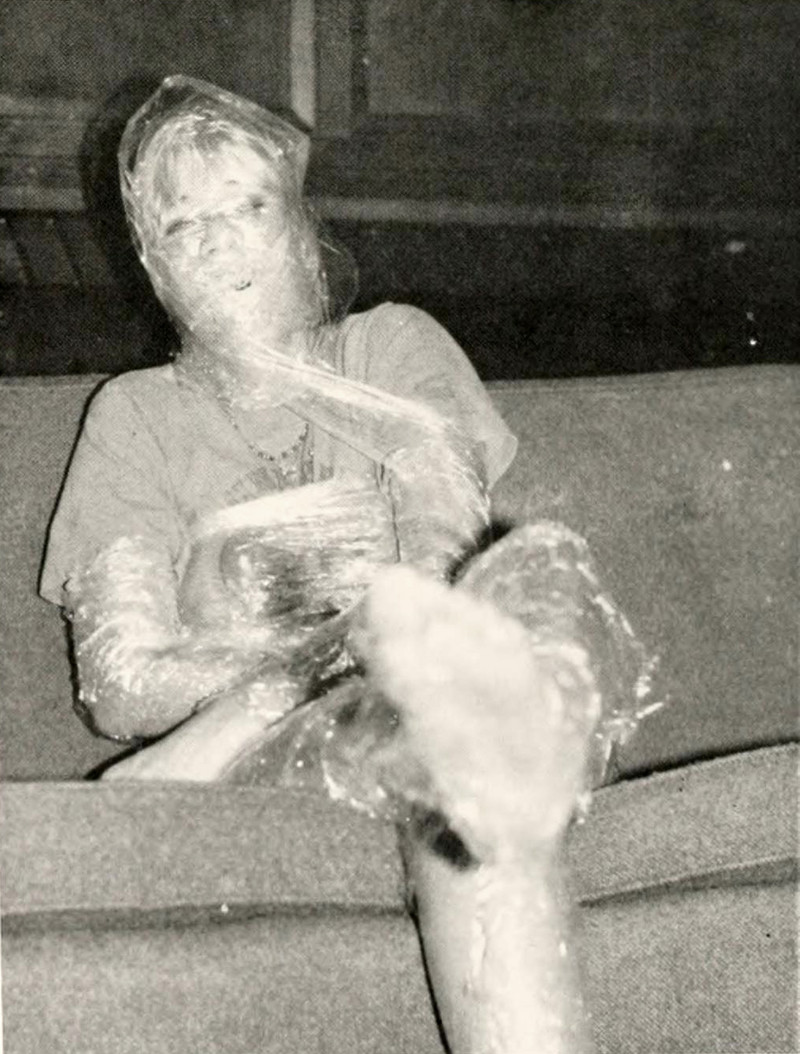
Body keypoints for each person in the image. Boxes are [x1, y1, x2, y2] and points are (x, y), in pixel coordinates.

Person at [40, 75, 655, 1054]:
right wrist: (316, 661)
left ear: (298, 223)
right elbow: (120, 685)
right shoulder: (133, 416)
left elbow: (446, 560)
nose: (221, 242)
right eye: (185, 224)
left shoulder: (391, 346)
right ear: (153, 261)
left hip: (417, 714)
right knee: (448, 712)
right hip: (273, 758)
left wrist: (296, 659)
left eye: (247, 207)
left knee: (493, 645)